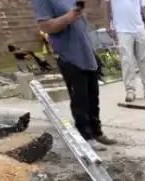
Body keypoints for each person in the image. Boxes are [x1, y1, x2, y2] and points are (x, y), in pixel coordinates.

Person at [31, 0, 117, 149]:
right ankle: (86, 137)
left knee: (92, 95)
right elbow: (45, 26)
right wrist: (67, 18)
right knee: (80, 98)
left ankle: (96, 132)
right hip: (69, 54)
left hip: (85, 50)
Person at [109, 0, 145, 103]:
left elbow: (144, 7)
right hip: (122, 30)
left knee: (144, 58)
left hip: (139, 28)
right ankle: (130, 90)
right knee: (127, 61)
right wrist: (107, 26)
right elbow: (105, 5)